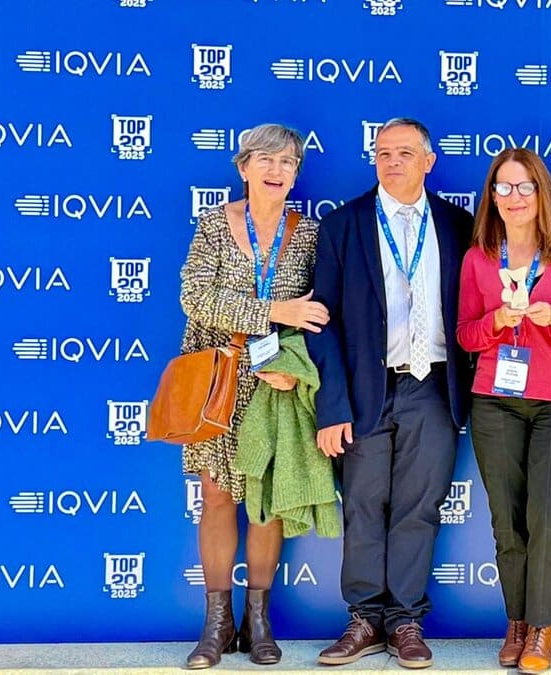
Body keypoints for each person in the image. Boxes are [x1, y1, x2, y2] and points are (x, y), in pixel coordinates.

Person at [305, 118, 473, 670]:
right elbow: (321, 322)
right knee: (362, 503)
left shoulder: (458, 224)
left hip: (434, 386)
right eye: (383, 153)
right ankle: (364, 619)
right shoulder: (343, 224)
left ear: (428, 161)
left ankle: (404, 621)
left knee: (418, 507)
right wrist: (332, 406)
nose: (392, 162)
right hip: (365, 390)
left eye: (404, 153)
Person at [177, 123, 330, 669]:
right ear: (243, 168)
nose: (275, 170)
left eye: (287, 162)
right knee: (217, 496)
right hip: (218, 382)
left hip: (276, 385)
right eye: (265, 159)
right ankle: (216, 625)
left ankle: (257, 622)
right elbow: (196, 297)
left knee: (268, 500)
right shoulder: (214, 224)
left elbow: (319, 312)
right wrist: (273, 309)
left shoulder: (309, 234)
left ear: (296, 174)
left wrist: (290, 365)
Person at [457, 149, 551, 674]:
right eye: (503, 187)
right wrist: (496, 321)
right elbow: (465, 335)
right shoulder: (478, 258)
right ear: (491, 197)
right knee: (507, 521)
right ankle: (515, 623)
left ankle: (542, 627)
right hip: (495, 401)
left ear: (542, 193)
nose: (514, 197)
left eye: (524, 187)